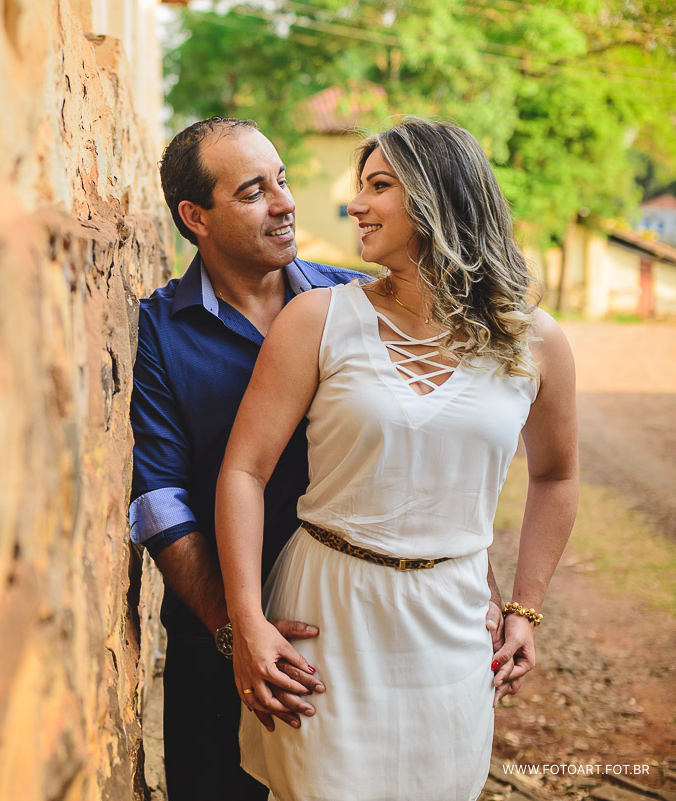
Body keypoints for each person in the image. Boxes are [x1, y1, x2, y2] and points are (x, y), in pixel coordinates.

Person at [129, 117, 509, 800]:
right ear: (195, 217)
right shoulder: (156, 330)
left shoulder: (358, 304)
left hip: (356, 625)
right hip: (218, 633)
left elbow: (438, 444)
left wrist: (483, 582)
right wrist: (236, 627)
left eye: (282, 180)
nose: (285, 203)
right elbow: (159, 500)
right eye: (253, 192)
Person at [215, 116, 578, 801]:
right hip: (327, 615)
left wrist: (525, 609)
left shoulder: (535, 341)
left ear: (440, 195)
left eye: (378, 186)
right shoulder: (318, 319)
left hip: (454, 620)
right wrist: (248, 621)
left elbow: (556, 475)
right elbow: (243, 471)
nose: (355, 204)